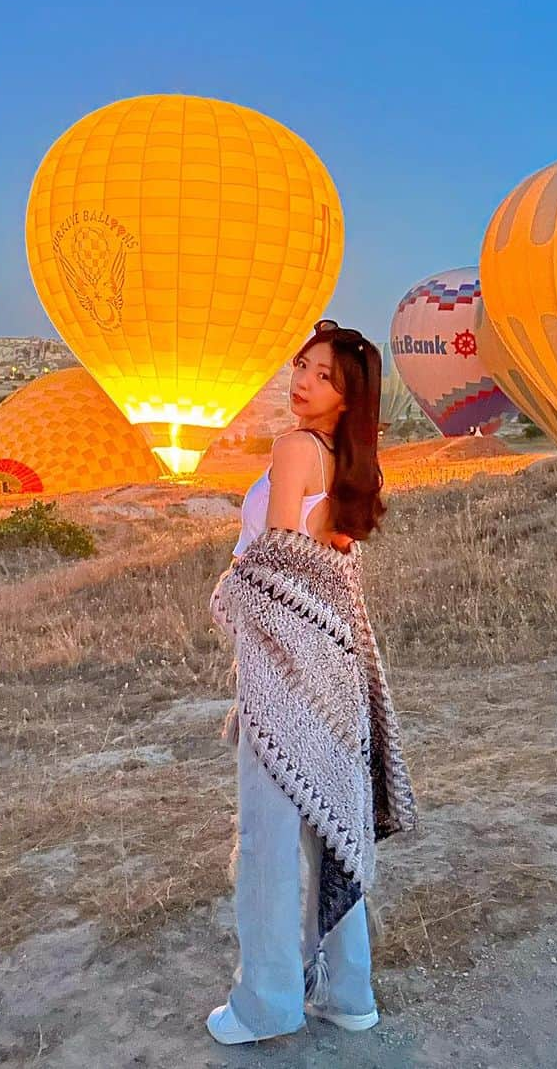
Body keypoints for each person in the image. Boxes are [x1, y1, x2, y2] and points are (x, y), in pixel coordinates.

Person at [206, 318, 418, 1046]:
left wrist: (230, 591)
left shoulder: (296, 447)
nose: (302, 382)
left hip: (284, 674)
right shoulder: (355, 464)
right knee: (334, 834)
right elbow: (331, 578)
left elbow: (277, 567)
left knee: (268, 844)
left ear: (348, 396)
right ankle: (349, 994)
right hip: (336, 672)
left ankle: (266, 1006)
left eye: (324, 376)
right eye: (301, 365)